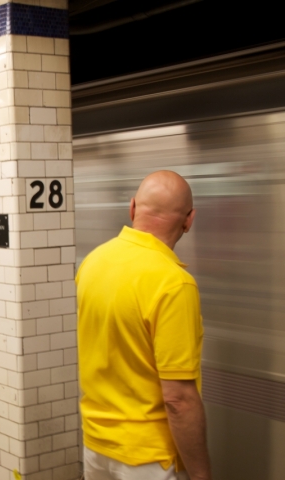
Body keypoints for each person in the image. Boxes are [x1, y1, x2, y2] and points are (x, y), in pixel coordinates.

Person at [76, 171, 211, 480]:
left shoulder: (93, 262)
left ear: (133, 208)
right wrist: (202, 475)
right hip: (149, 459)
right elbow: (178, 399)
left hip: (96, 446)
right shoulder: (173, 284)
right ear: (189, 220)